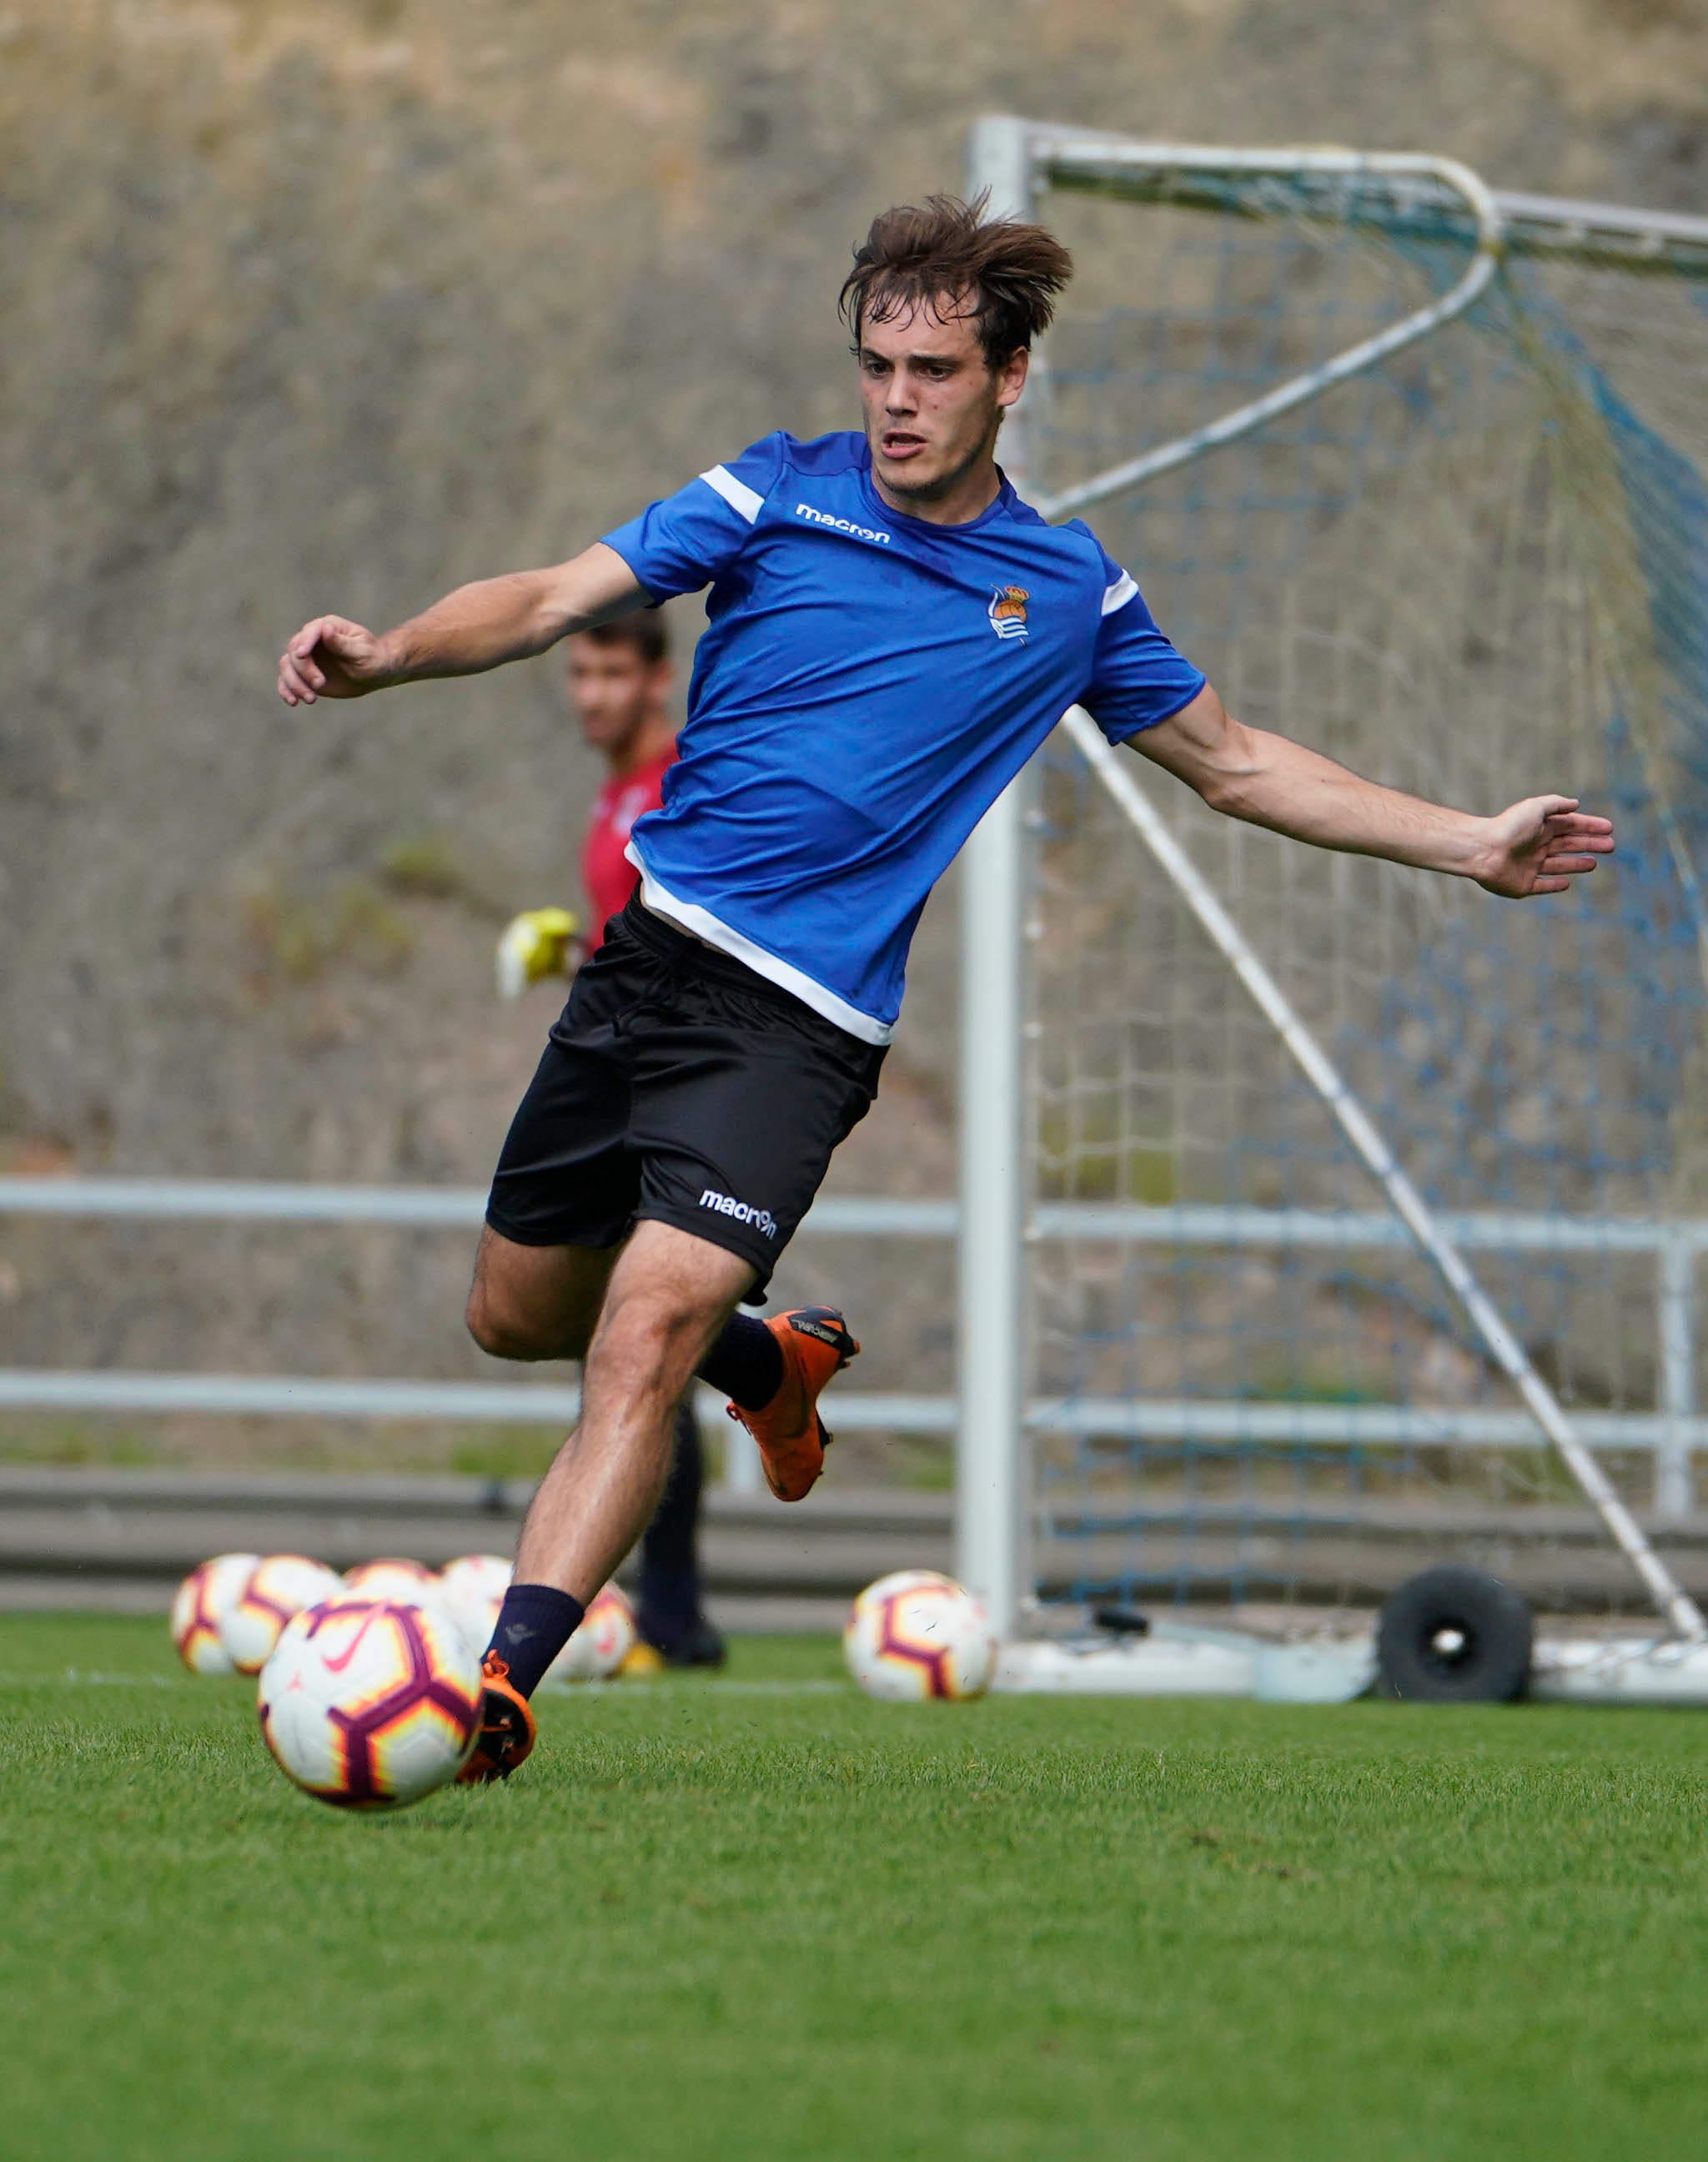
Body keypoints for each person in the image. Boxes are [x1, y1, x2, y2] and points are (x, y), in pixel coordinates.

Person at [277, 195, 1614, 1781]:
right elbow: (557, 594)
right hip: (647, 966)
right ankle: (770, 1362)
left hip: (797, 1030)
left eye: (930, 369)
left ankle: (497, 1686)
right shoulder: (773, 489)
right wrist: (391, 653)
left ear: (1009, 377)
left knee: (636, 1338)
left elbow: (1237, 764)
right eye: (875, 366)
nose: (896, 398)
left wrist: (1468, 841)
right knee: (515, 1316)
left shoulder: (1062, 592)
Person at [495, 616, 725, 1668]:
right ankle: (668, 1615)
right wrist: (577, 948)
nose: (588, 693)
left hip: (669, 1087)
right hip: (620, 1072)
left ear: (657, 679)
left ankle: (670, 1617)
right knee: (622, 1350)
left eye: (610, 672)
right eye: (577, 673)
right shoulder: (611, 794)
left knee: (635, 1355)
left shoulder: (682, 777)